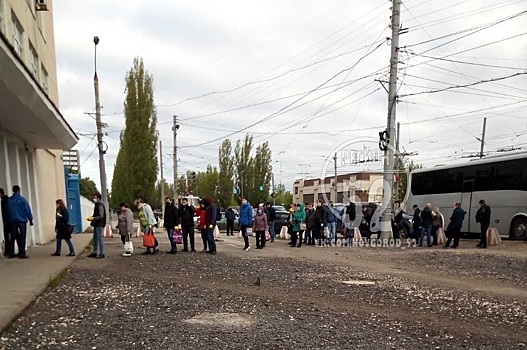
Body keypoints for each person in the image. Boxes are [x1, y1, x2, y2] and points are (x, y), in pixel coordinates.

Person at [7, 185, 33, 259]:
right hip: (22, 221)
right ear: (19, 190)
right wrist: (30, 220)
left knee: (12, 237)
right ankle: (22, 253)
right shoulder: (23, 200)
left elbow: (7, 211)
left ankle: (11, 253)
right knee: (22, 237)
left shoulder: (9, 200)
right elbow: (28, 211)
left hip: (12, 221)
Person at [87, 193, 106, 259]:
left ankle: (102, 253)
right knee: (95, 238)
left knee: (99, 238)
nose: (93, 199)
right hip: (97, 224)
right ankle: (94, 252)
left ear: (98, 198)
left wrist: (93, 218)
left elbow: (101, 216)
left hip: (99, 224)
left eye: (95, 197)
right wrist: (92, 217)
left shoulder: (100, 205)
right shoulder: (98, 204)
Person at [1, 188, 11, 257]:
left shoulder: (3, 201)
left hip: (7, 221)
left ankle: (8, 251)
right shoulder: (8, 200)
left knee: (7, 236)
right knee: (14, 236)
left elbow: (5, 211)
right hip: (11, 220)